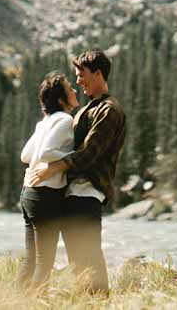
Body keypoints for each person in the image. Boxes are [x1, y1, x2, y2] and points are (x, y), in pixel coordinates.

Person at [29, 48, 126, 294]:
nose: (78, 81)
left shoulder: (109, 110)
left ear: (98, 73)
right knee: (78, 264)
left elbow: (90, 152)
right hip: (74, 194)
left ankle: (99, 303)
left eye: (81, 75)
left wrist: (54, 168)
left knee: (89, 260)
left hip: (88, 193)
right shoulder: (88, 108)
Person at [16, 72, 77, 290]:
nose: (75, 90)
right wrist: (71, 156)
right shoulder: (65, 119)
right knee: (44, 262)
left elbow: (25, 156)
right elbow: (46, 152)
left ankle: (14, 303)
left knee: (30, 260)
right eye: (70, 89)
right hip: (46, 195)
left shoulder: (44, 122)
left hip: (28, 194)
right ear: (61, 100)